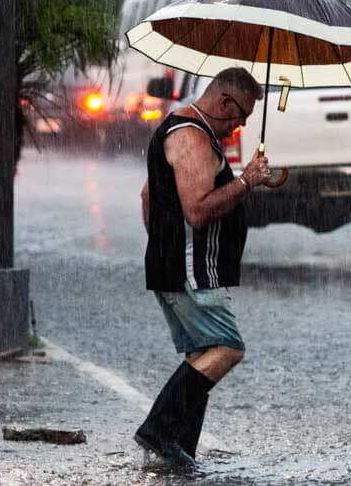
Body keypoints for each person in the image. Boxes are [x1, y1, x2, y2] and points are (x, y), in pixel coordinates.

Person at [136, 67, 271, 467]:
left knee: (204, 353)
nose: (241, 125)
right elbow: (196, 212)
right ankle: (158, 430)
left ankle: (178, 450)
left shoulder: (183, 128)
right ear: (224, 101)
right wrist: (246, 181)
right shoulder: (191, 136)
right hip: (191, 267)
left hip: (177, 262)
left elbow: (148, 194)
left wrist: (161, 244)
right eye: (241, 115)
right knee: (228, 348)